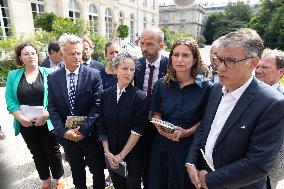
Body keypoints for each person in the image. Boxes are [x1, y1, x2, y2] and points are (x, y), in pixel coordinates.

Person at [186, 28, 284, 189]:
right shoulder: (217, 89)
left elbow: (257, 164)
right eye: (219, 59)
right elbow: (204, 127)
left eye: (230, 61)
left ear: (253, 63)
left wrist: (210, 180)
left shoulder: (273, 104)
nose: (221, 68)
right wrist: (190, 161)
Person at [148, 38, 212, 189]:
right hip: (162, 147)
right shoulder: (160, 85)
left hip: (189, 150)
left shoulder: (206, 88)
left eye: (185, 55)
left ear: (194, 59)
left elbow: (207, 120)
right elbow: (155, 113)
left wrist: (187, 132)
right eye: (176, 55)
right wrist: (161, 129)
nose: (179, 59)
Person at [47, 34, 105, 189]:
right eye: (72, 53)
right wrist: (63, 132)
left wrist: (84, 129)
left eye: (79, 53)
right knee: (77, 171)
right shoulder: (53, 78)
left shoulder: (93, 75)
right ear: (62, 54)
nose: (77, 56)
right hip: (68, 136)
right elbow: (52, 107)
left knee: (97, 170)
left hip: (90, 134)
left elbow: (98, 104)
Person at [5, 43, 64, 189]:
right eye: (26, 54)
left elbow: (57, 98)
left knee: (53, 150)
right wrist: (21, 118)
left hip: (47, 120)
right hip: (26, 123)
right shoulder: (13, 75)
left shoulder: (50, 73)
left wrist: (46, 114)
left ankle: (58, 178)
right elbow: (10, 99)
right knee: (36, 152)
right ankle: (44, 179)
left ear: (37, 55)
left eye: (33, 53)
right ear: (20, 58)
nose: (30, 56)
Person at [99, 52, 148, 189]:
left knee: (132, 185)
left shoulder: (140, 97)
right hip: (111, 153)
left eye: (132, 69)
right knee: (118, 185)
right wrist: (107, 153)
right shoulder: (105, 95)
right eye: (124, 69)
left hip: (133, 155)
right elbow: (102, 125)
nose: (129, 73)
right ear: (115, 70)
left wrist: (121, 156)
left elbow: (137, 130)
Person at [133, 26, 168, 189]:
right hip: (140, 122)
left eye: (150, 44)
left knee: (159, 162)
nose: (144, 48)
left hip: (162, 122)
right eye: (142, 43)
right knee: (141, 160)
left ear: (161, 45)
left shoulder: (171, 66)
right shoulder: (137, 65)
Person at [255, 48, 284, 189]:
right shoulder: (244, 93)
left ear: (281, 72)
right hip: (239, 170)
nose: (258, 70)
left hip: (270, 174)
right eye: (257, 66)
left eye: (265, 67)